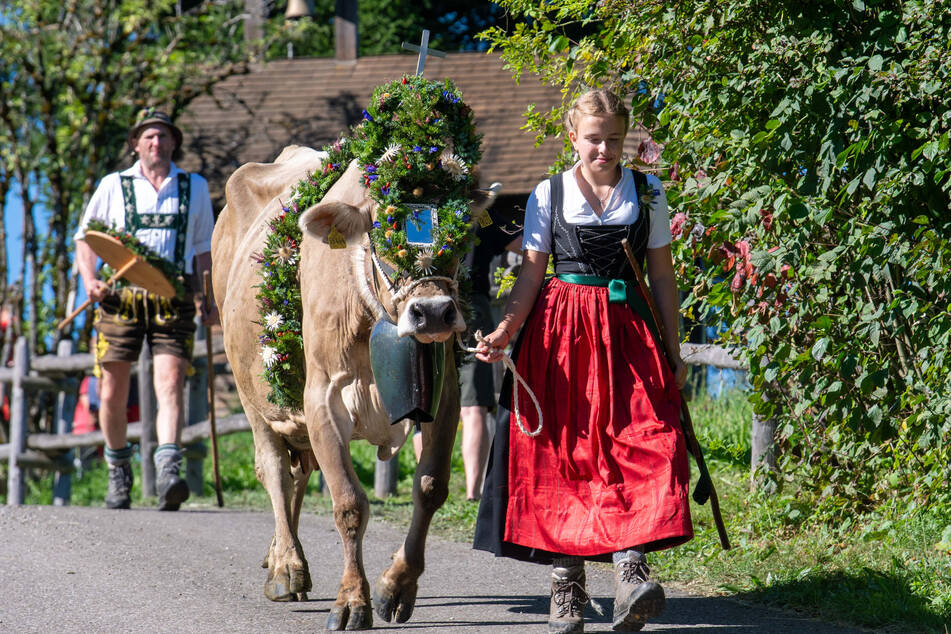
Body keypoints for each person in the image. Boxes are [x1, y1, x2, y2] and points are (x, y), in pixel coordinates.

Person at [473, 89, 692, 634]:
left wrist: (673, 346)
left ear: (626, 138)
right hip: (562, 334)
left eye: (614, 140)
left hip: (628, 333)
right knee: (564, 454)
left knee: (648, 441)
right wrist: (505, 330)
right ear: (573, 136)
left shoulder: (650, 192)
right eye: (594, 139)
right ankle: (566, 586)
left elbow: (661, 275)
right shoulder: (548, 195)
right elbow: (530, 275)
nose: (604, 150)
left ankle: (631, 573)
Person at [75, 108, 218, 511]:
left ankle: (169, 473)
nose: (157, 143)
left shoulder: (195, 187)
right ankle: (118, 473)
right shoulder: (112, 185)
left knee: (170, 382)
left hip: (173, 299)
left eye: (163, 137)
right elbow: (85, 239)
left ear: (175, 143)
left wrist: (208, 296)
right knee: (112, 389)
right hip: (119, 299)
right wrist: (90, 280)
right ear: (136, 144)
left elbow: (204, 249)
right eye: (149, 137)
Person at [413, 216, 522, 500]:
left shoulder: (423, 213)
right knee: (469, 407)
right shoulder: (481, 212)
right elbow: (525, 245)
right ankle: (471, 494)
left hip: (427, 304)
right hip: (469, 308)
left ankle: (429, 488)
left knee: (426, 405)